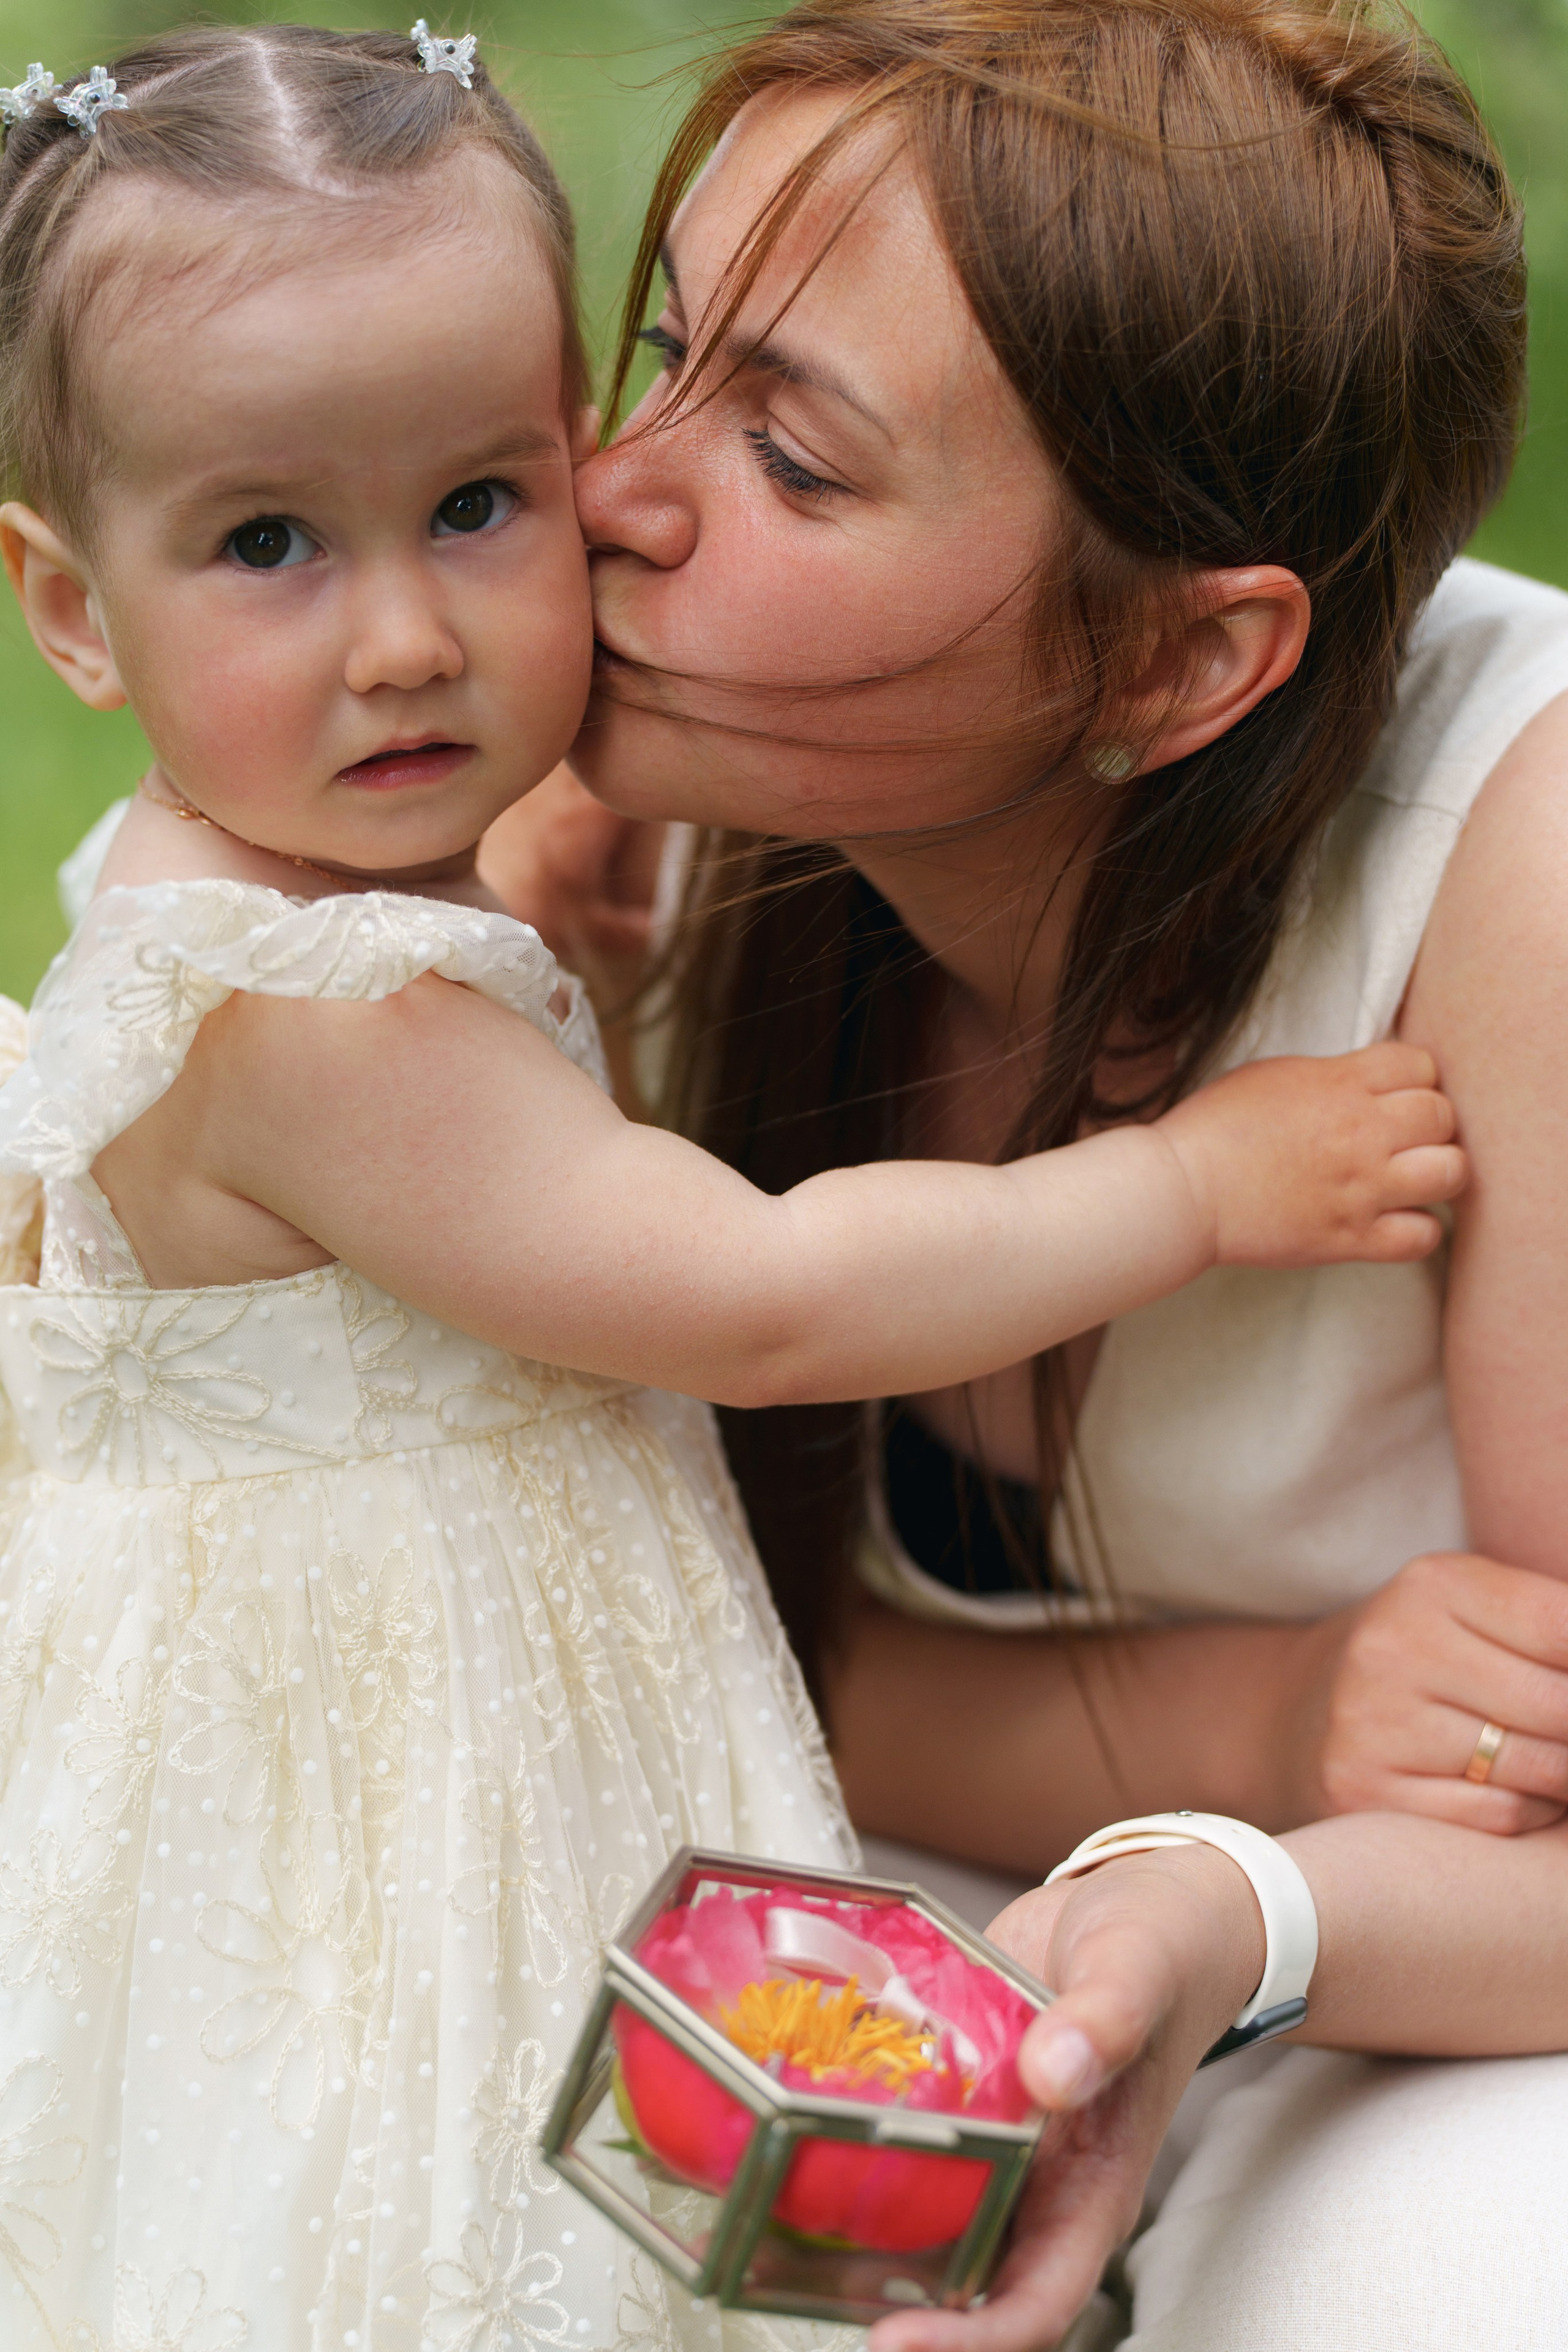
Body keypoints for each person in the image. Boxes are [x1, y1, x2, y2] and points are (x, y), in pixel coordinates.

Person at [0, 23, 1453, 2350]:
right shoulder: (312, 1014)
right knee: (428, 2222)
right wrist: (1192, 1184)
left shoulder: (339, 882)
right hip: (392, 1804)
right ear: (73, 609)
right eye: (268, 545)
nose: (410, 637)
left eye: (482, 500)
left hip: (423, 1719)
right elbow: (763, 1296)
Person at [481, 1, 1568, 2343]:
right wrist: (1255, 1716)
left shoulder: (1525, 871)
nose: (610, 493)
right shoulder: (621, 797)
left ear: (1179, 664)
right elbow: (570, 1611)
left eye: (794, 456)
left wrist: (1228, 1905)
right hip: (890, 1856)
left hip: (1423, 1974)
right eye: (662, 354)